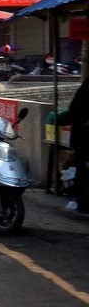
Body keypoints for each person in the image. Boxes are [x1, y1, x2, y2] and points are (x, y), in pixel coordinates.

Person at [58, 77, 89, 214]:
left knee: (82, 173)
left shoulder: (86, 88)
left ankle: (82, 204)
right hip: (84, 138)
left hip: (82, 138)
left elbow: (73, 111)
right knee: (83, 172)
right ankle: (83, 204)